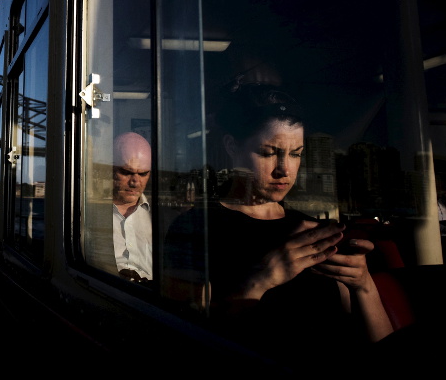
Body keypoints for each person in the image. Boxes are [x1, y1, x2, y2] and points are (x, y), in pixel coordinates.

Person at [166, 83, 393, 369]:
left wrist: (364, 285)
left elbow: (385, 350)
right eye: (268, 152)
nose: (284, 169)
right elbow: (185, 341)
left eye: (296, 154)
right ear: (232, 146)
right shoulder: (194, 227)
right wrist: (260, 280)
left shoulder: (311, 229)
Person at [112, 132, 152, 282]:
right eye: (126, 172)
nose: (135, 182)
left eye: (142, 174)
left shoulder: (163, 218)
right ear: (110, 170)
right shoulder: (89, 213)